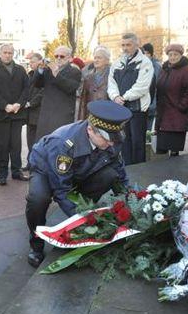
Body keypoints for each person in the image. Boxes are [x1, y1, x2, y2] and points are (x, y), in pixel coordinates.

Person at [25, 100, 131, 267]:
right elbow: (61, 189)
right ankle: (36, 244)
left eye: (114, 139)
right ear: (91, 130)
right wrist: (84, 218)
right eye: (108, 139)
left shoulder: (110, 141)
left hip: (81, 170)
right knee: (38, 199)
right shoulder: (63, 143)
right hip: (45, 170)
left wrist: (133, 200)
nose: (112, 144)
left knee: (110, 175)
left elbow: (120, 173)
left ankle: (84, 215)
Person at [0, 44, 30, 185]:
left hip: (17, 113)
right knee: (3, 145)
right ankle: (2, 173)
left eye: (10, 53)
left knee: (16, 145)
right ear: (0, 53)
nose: (7, 55)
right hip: (2, 114)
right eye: (5, 52)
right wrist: (5, 106)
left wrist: (19, 104)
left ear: (13, 54)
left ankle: (16, 171)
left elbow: (26, 89)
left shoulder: (20, 70)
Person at [107, 33, 153, 165]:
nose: (125, 48)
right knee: (124, 141)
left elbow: (142, 86)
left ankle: (140, 171)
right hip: (121, 108)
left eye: (128, 45)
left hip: (137, 108)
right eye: (123, 45)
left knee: (138, 142)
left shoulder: (145, 62)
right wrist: (115, 96)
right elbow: (111, 83)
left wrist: (124, 97)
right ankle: (128, 171)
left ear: (136, 44)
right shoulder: (117, 63)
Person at [154, 44, 188, 156]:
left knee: (174, 153)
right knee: (161, 151)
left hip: (177, 116)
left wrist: (181, 107)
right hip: (163, 116)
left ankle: (174, 173)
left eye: (175, 54)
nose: (172, 57)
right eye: (170, 55)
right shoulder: (165, 69)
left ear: (181, 55)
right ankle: (161, 174)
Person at [33, 46, 82, 140]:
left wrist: (56, 74)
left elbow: (70, 88)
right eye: (56, 56)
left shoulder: (74, 72)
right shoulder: (48, 70)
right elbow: (36, 84)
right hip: (46, 116)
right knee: (43, 146)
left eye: (62, 56)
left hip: (62, 117)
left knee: (59, 147)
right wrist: (40, 69)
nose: (58, 58)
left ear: (69, 58)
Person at [77, 46, 111, 120]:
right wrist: (81, 119)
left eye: (99, 58)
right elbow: (83, 101)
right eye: (95, 58)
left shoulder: (113, 75)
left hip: (107, 115)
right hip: (91, 115)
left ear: (107, 60)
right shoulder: (88, 77)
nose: (96, 60)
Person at [25, 53, 44, 166]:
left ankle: (36, 163)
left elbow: (42, 92)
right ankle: (30, 162)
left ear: (39, 62)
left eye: (33, 62)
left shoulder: (43, 74)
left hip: (38, 112)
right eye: (30, 62)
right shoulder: (30, 74)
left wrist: (31, 103)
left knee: (38, 140)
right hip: (29, 113)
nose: (30, 64)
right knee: (30, 140)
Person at [141, 43, 161, 130]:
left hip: (151, 104)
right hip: (141, 105)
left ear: (150, 54)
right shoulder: (141, 65)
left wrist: (153, 104)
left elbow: (156, 85)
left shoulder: (156, 66)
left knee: (147, 130)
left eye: (145, 53)